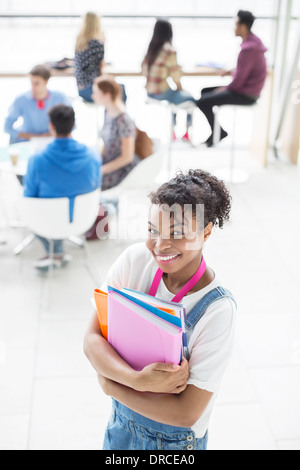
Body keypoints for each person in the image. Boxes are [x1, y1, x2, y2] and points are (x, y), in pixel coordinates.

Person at [84, 169, 237, 450]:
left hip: (173, 444)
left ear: (206, 231)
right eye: (153, 230)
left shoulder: (217, 310)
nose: (160, 245)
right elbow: (92, 340)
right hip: (120, 426)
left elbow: (186, 412)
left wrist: (112, 385)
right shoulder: (134, 260)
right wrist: (138, 381)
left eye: (177, 234)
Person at [23, 104, 101, 271]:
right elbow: (95, 186)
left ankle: (55, 251)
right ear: (74, 125)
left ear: (51, 126)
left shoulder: (37, 160)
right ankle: (57, 251)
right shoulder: (92, 155)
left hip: (48, 221)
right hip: (83, 219)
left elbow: (28, 197)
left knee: (29, 206)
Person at [196, 10, 267, 147]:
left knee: (202, 102)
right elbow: (245, 70)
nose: (233, 28)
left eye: (235, 24)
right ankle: (218, 132)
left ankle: (220, 133)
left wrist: (223, 89)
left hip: (245, 94)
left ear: (243, 26)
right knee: (205, 91)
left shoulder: (248, 49)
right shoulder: (254, 43)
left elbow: (238, 82)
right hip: (248, 90)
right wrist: (230, 71)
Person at [142, 19, 195, 142]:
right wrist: (180, 87)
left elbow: (144, 69)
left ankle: (174, 131)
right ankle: (185, 133)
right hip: (161, 92)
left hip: (149, 92)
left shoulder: (151, 49)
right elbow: (175, 76)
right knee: (190, 99)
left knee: (175, 96)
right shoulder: (169, 50)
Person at [92, 76, 139, 191]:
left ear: (106, 95)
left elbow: (127, 157)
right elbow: (106, 143)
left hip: (122, 168)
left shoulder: (124, 121)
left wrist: (102, 169)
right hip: (109, 161)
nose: (92, 96)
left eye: (95, 93)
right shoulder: (107, 112)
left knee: (91, 182)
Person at [4, 65, 70, 144]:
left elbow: (71, 124)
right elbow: (7, 127)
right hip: (27, 141)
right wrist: (34, 137)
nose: (33, 87)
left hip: (51, 140)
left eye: (37, 83)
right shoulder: (21, 100)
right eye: (31, 82)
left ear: (46, 81)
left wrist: (53, 134)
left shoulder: (60, 98)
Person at [74, 11, 105, 103]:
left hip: (81, 89)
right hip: (91, 89)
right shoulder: (96, 44)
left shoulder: (79, 42)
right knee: (119, 91)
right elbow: (102, 69)